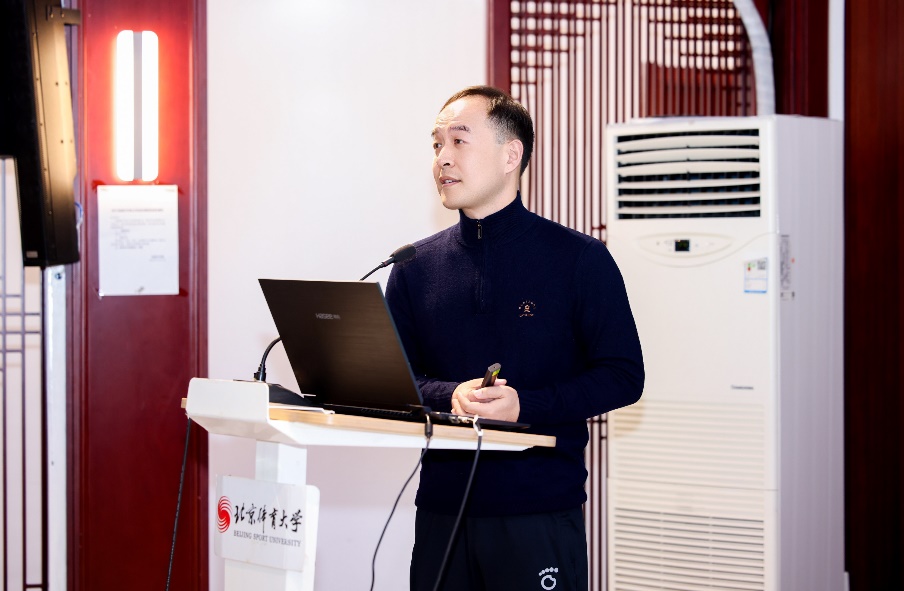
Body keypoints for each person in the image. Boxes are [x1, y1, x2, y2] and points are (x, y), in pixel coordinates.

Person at [385, 86, 644, 591]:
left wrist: (526, 404)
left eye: (459, 141)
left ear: (511, 156)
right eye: (436, 144)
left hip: (539, 508)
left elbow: (623, 376)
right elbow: (395, 380)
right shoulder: (414, 266)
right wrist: (451, 396)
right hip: (442, 510)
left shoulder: (578, 259)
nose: (442, 158)